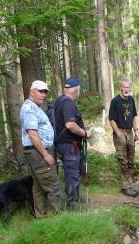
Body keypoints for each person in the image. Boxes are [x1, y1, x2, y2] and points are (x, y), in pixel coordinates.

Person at [20, 80, 62, 218]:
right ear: (31, 92)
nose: (43, 94)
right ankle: (56, 219)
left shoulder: (35, 107)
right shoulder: (29, 109)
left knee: (38, 186)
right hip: (38, 151)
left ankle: (42, 218)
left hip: (36, 151)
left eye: (45, 92)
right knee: (53, 185)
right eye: (40, 91)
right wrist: (45, 154)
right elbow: (32, 134)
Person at [52, 77, 92, 209]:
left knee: (73, 172)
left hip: (66, 145)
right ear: (76, 89)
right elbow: (70, 125)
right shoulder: (67, 103)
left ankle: (75, 198)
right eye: (79, 89)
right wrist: (85, 133)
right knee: (72, 173)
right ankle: (72, 204)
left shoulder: (59, 101)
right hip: (69, 145)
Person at [108, 78, 139, 197]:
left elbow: (133, 117)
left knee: (131, 160)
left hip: (130, 133)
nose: (126, 89)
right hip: (120, 133)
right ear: (120, 88)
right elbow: (111, 119)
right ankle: (125, 187)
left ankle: (130, 184)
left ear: (130, 88)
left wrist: (136, 131)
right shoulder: (115, 101)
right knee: (123, 161)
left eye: (128, 87)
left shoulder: (131, 99)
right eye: (124, 87)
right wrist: (118, 133)